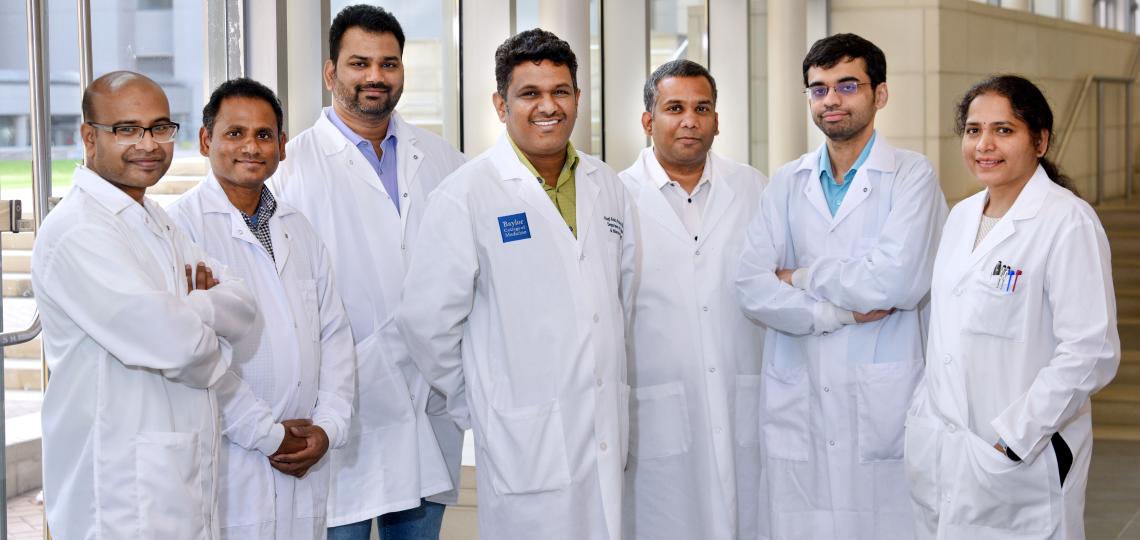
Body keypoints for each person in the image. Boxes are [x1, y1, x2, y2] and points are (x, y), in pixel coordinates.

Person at [396, 28, 634, 540]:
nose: (547, 106)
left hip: (604, 430)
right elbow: (426, 323)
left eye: (560, 91)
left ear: (576, 97)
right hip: (523, 441)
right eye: (530, 94)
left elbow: (621, 301)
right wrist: (482, 400)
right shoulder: (467, 193)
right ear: (501, 105)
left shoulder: (606, 185)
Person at [735, 33, 948, 539]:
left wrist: (800, 277)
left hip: (884, 399)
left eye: (847, 85)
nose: (831, 99)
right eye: (818, 88)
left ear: (880, 94)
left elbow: (895, 281)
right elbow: (749, 285)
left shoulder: (911, 176)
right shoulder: (786, 182)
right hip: (799, 394)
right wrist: (840, 313)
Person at [270, 5, 467, 538]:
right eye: (359, 63)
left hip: (428, 400)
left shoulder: (444, 160)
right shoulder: (289, 168)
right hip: (336, 409)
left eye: (389, 63)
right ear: (331, 72)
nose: (375, 76)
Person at [32, 71, 255, 539]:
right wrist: (202, 315)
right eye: (127, 130)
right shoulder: (78, 232)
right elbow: (179, 346)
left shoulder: (154, 218)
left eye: (159, 128)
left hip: (172, 474)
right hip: (118, 491)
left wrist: (192, 309)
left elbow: (245, 307)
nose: (148, 144)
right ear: (90, 138)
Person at [904, 75, 1119, 540]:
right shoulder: (960, 216)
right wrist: (924, 413)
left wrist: (1015, 437)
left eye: (1004, 130)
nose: (985, 144)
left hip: (1021, 455)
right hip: (946, 450)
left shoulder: (1067, 221)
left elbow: (1091, 351)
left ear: (1039, 141)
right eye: (973, 129)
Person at [167, 78, 356, 539]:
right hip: (231, 459)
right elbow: (195, 358)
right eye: (235, 133)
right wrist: (266, 434)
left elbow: (334, 336)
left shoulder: (299, 229)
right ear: (206, 140)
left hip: (305, 458)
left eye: (264, 135)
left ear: (283, 147)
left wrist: (327, 428)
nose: (251, 146)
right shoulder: (180, 229)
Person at [619, 59, 767, 540]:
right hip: (656, 406)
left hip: (739, 394)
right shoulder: (616, 197)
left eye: (702, 108)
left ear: (718, 120)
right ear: (648, 121)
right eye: (674, 108)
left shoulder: (752, 187)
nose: (690, 120)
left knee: (747, 516)